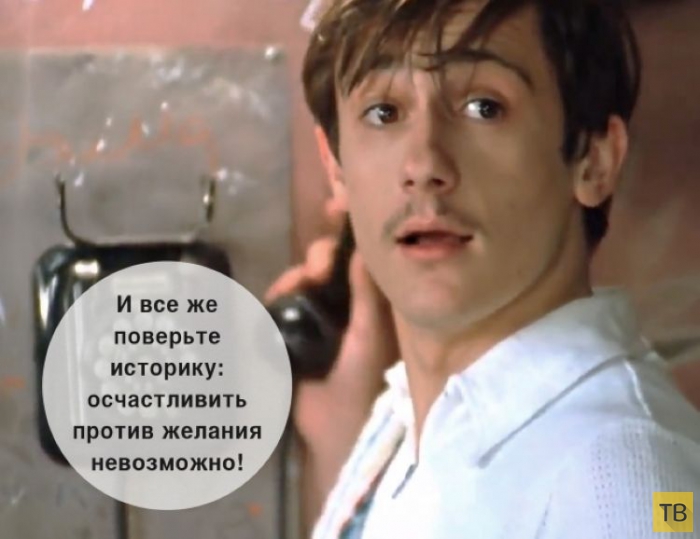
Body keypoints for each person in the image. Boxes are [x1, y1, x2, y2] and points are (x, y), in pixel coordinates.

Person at [267, 0, 700, 537]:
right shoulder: (406, 427)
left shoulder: (627, 476)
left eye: (483, 107)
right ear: (336, 166)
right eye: (384, 113)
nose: (423, 165)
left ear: (594, 160)